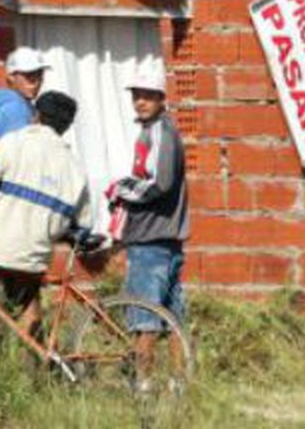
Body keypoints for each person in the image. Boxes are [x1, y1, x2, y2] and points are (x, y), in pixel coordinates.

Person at [0, 91, 94, 338]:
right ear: (66, 126)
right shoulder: (74, 167)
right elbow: (85, 223)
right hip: (33, 259)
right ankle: (26, 359)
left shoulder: (11, 144)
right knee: (27, 307)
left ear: (35, 116)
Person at [106, 62, 189, 391]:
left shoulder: (161, 133)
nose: (140, 101)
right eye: (136, 95)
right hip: (163, 239)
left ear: (162, 99)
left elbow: (160, 184)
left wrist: (120, 190)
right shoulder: (151, 131)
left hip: (152, 239)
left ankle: (143, 388)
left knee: (146, 320)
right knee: (171, 319)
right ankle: (177, 386)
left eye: (148, 96)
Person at [0, 47, 49, 152]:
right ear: (11, 77)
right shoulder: (16, 109)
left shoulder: (20, 106)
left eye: (39, 75)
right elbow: (21, 158)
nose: (36, 82)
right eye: (29, 75)